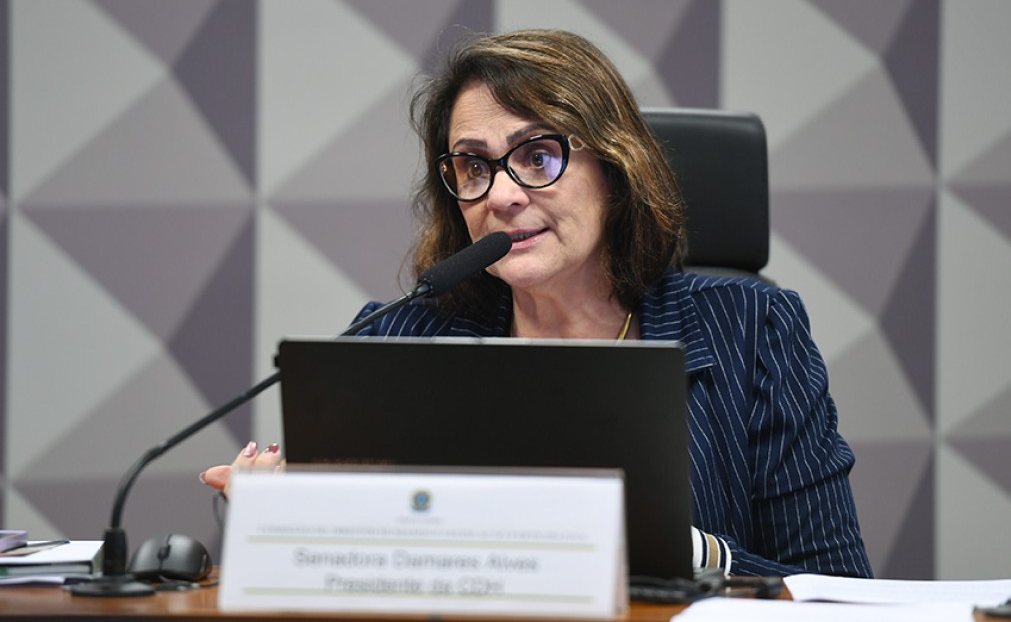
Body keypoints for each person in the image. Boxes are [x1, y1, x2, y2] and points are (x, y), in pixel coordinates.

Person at [201, 29, 873, 579]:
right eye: (474, 166)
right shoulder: (398, 339)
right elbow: (343, 575)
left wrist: (695, 553)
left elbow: (836, 590)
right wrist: (281, 517)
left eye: (538, 156)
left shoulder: (751, 329)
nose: (502, 195)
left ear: (614, 168)